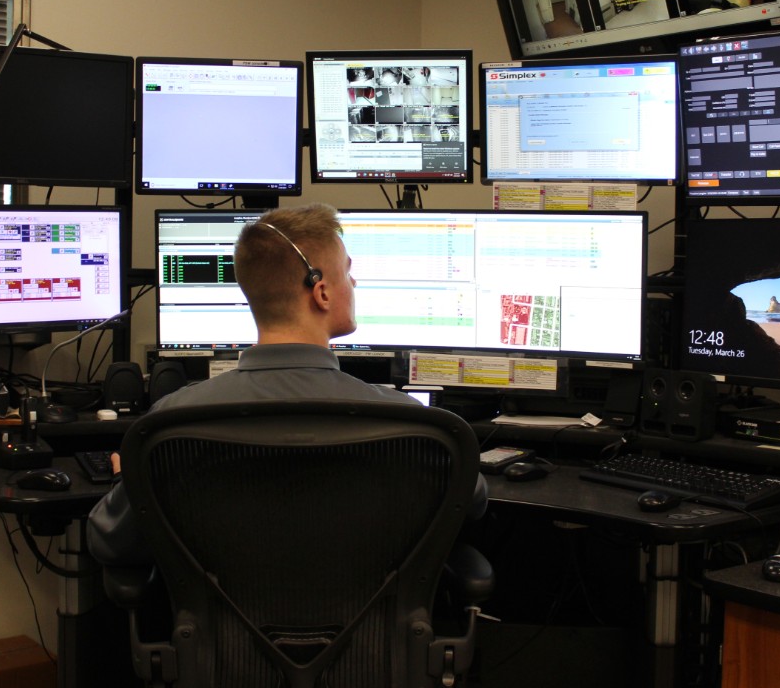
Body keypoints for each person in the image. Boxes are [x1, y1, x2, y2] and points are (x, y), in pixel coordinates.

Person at [87, 202, 487, 565]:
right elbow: (473, 502)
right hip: (373, 640)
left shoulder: (171, 422)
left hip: (220, 642)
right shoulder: (410, 423)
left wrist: (131, 477)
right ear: (323, 292)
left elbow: (108, 543)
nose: (354, 284)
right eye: (348, 272)